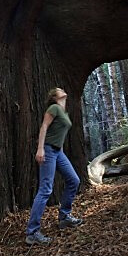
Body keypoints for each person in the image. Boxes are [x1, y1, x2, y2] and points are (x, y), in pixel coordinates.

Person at [25, 87, 82, 245]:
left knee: (74, 180)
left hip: (58, 152)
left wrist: (60, 150)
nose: (63, 90)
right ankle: (32, 232)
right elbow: (44, 127)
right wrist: (40, 148)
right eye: (59, 90)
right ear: (55, 96)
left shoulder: (63, 112)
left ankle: (64, 217)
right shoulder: (54, 108)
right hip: (48, 150)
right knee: (45, 189)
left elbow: (59, 134)